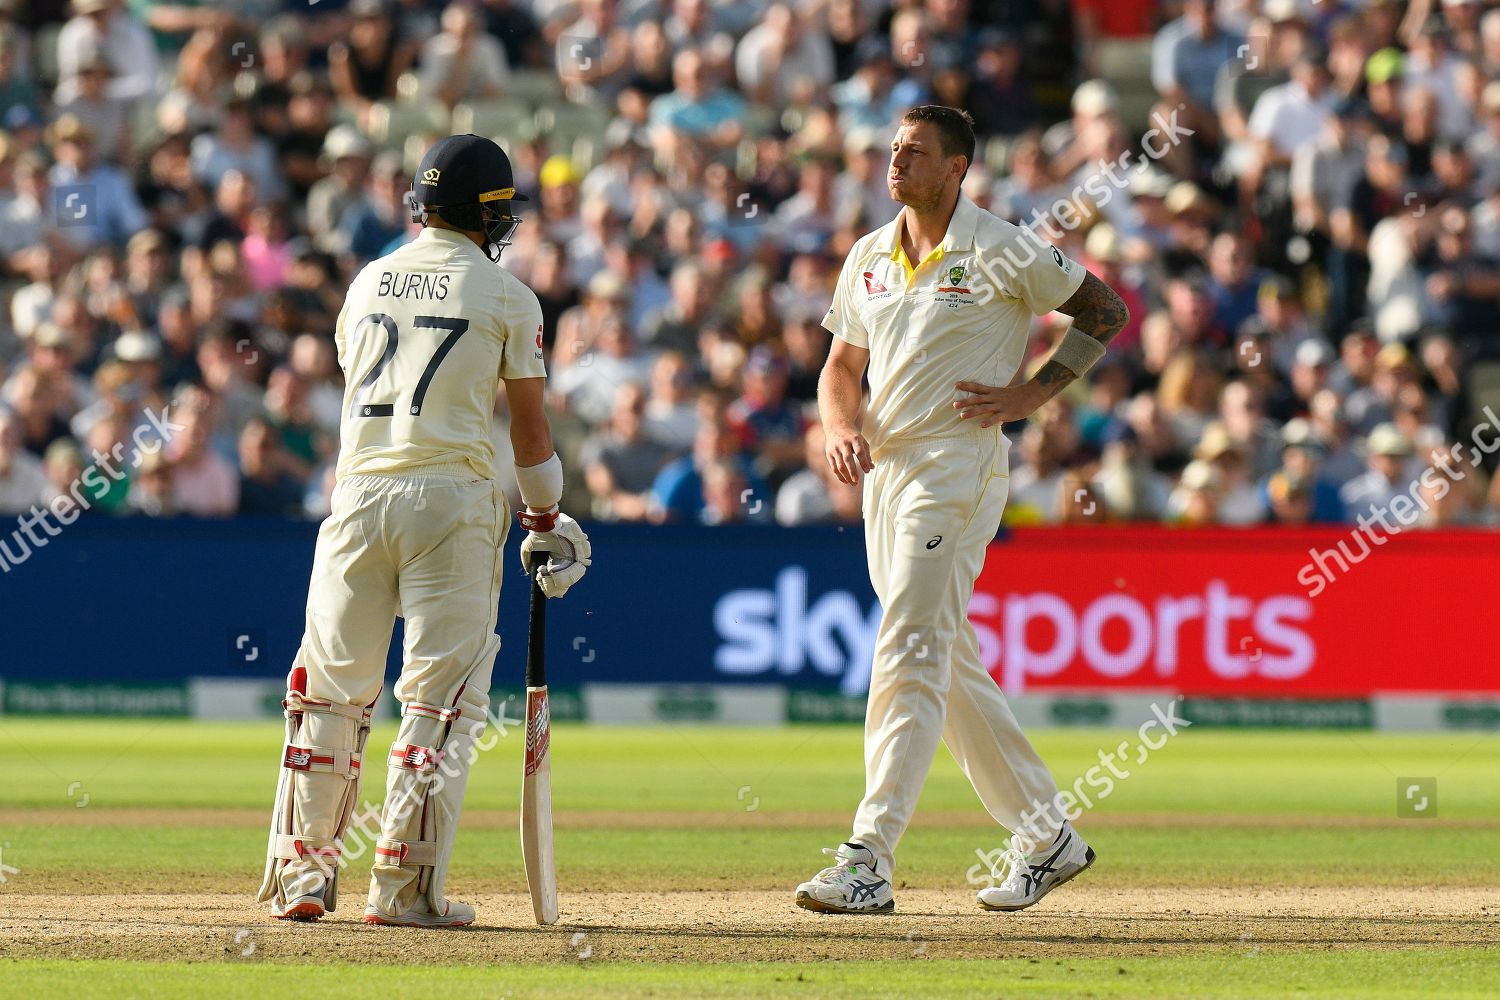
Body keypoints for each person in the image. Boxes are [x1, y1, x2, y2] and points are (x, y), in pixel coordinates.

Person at [257, 134, 592, 929]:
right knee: (439, 704)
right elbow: (531, 430)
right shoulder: (507, 293)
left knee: (328, 698)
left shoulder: (366, 281)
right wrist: (546, 515)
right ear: (492, 212)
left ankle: (303, 879)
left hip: (357, 496)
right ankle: (404, 889)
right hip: (452, 500)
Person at [801, 106, 1128, 915]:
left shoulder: (1005, 247)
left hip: (958, 463)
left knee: (909, 643)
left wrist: (1031, 393)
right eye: (893, 150)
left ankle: (869, 856)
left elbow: (1105, 312)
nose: (896, 162)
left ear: (956, 169)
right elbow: (841, 363)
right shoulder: (870, 254)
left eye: (916, 153)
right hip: (886, 469)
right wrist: (839, 425)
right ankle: (1048, 838)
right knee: (940, 656)